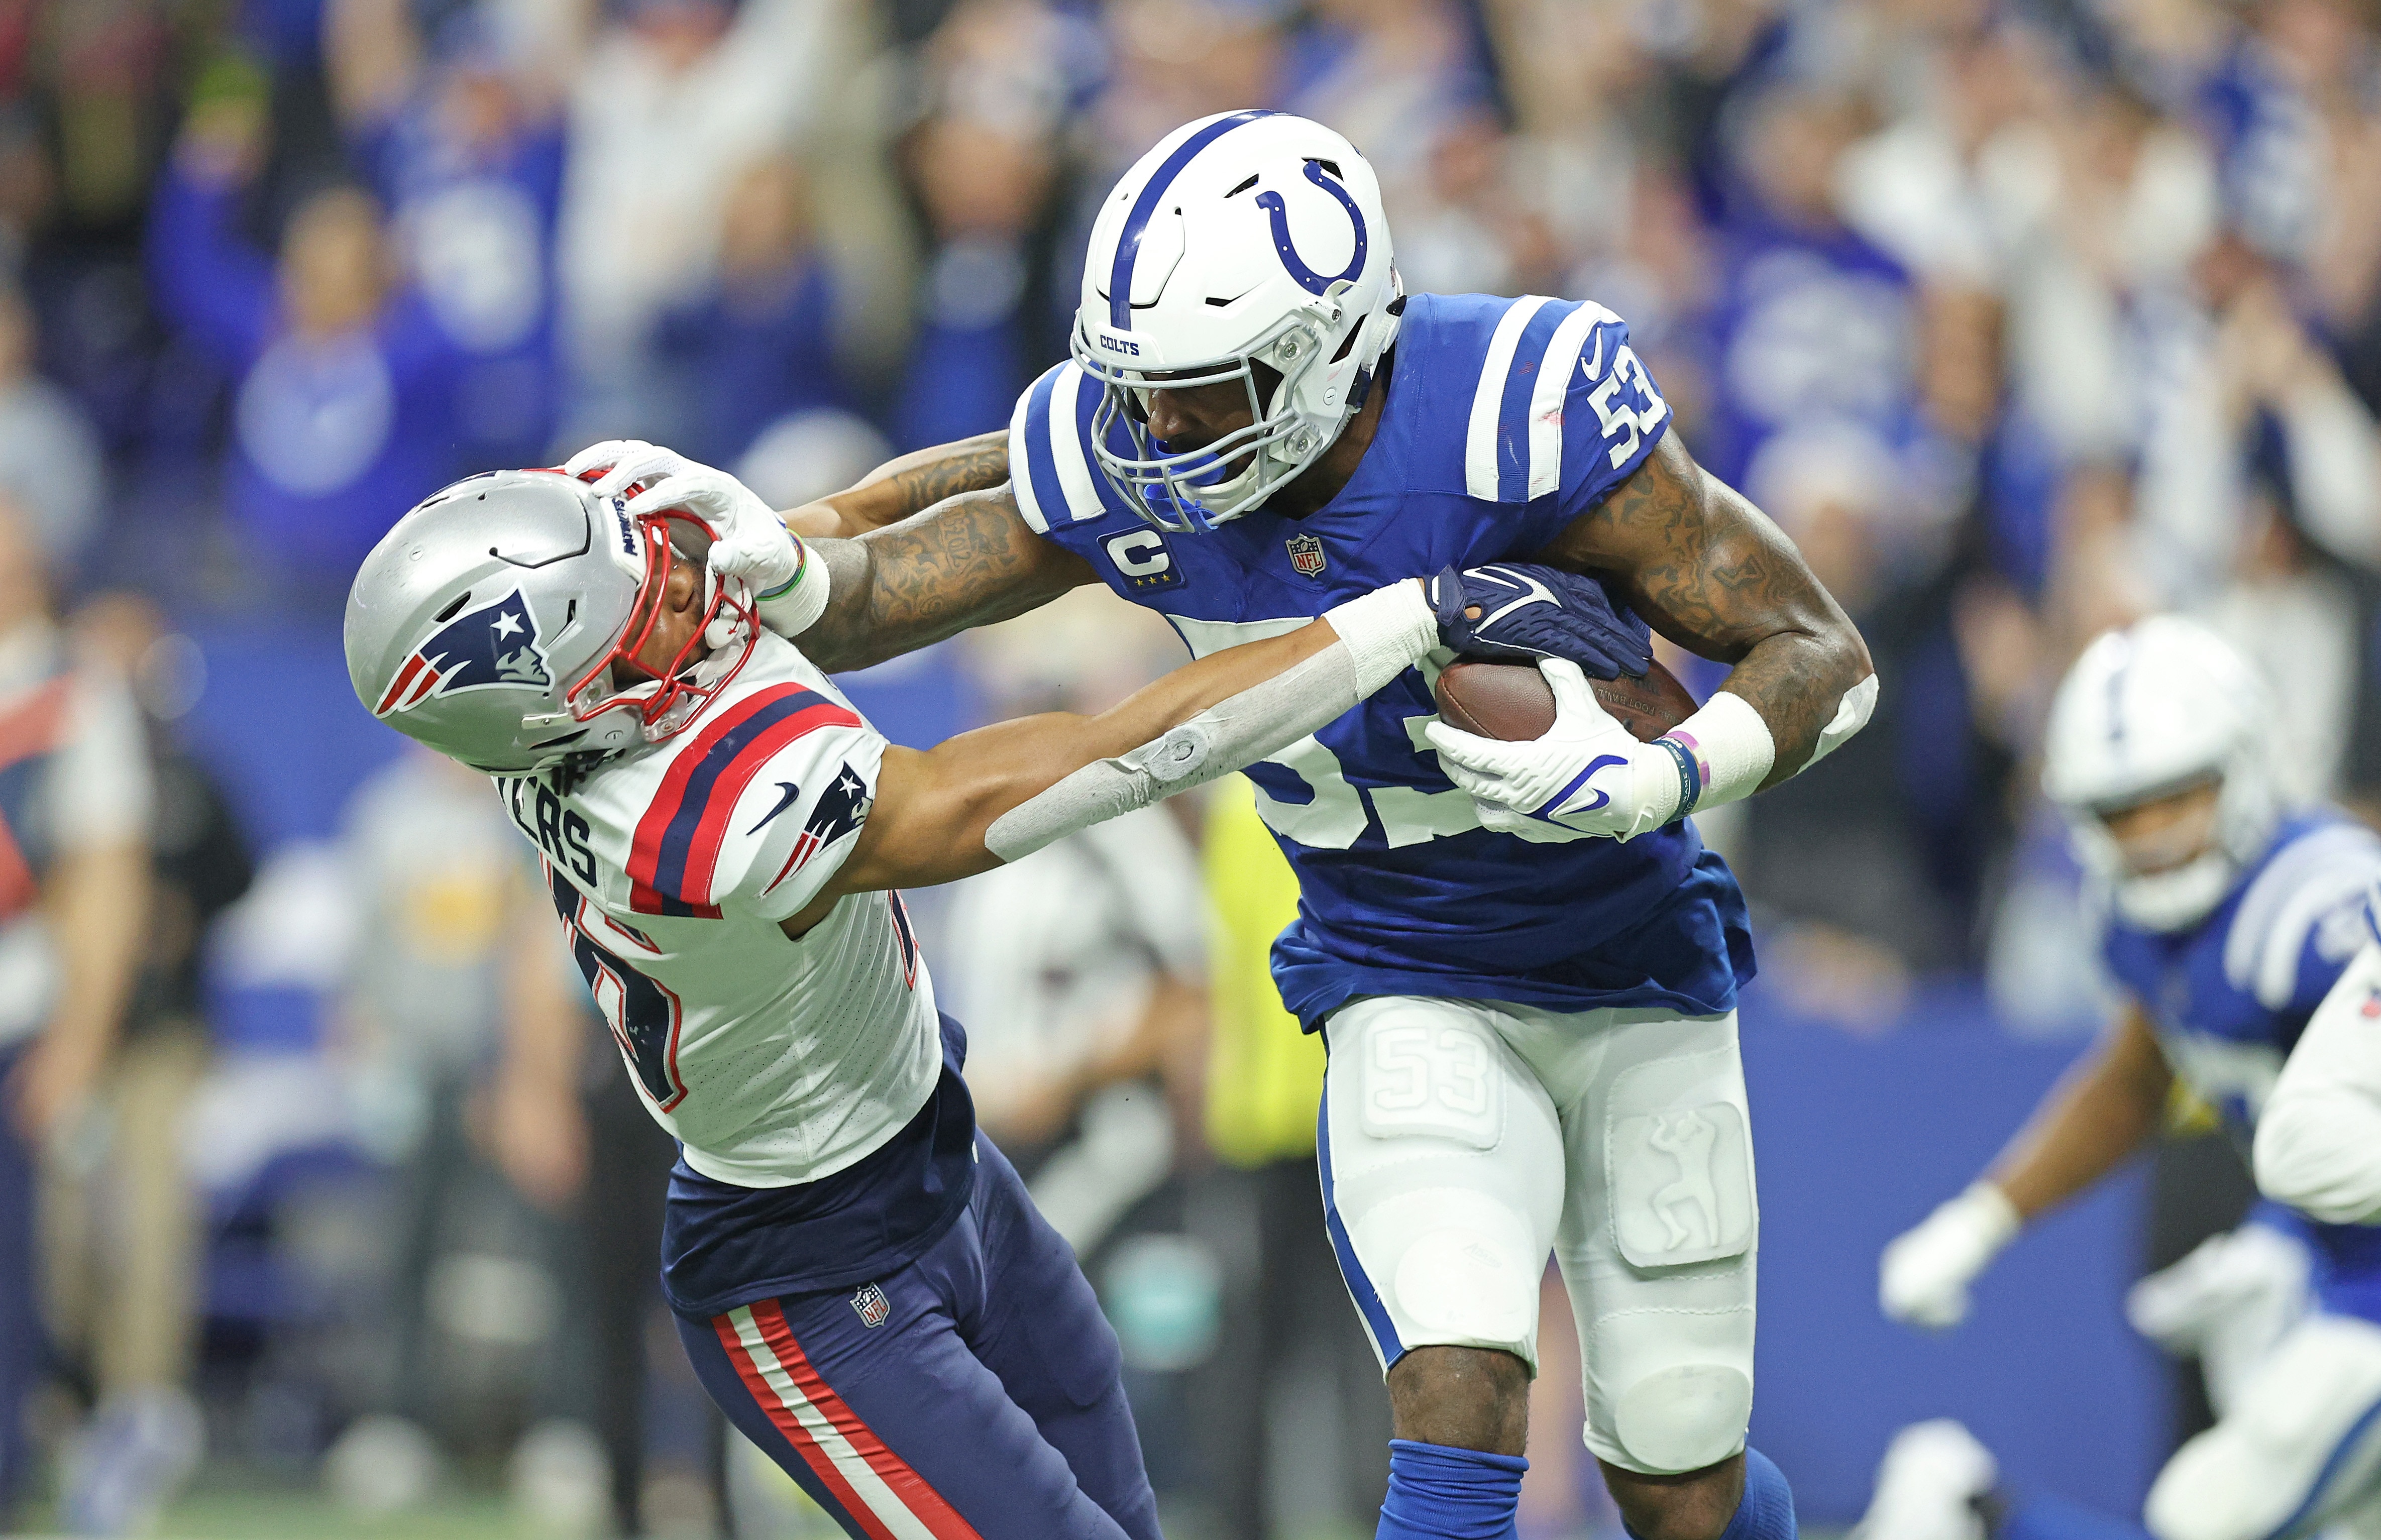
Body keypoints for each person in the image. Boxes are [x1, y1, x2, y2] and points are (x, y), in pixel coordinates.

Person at [651, 109, 1876, 1540]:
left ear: (1337, 347)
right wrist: (776, 565)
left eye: (1201, 393)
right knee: (1457, 1379)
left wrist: (1664, 777)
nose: (1159, 434)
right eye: (1139, 393)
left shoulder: (1511, 406)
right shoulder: (1137, 441)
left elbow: (1820, 656)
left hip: (1635, 962)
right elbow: (881, 589)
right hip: (1396, 966)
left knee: (1676, 1468)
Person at [343, 459, 1639, 1538]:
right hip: (806, 1270)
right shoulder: (693, 821)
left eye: (655, 561)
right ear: (569, 713)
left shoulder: (619, 587)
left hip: (941, 1157)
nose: (687, 586)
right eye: (650, 611)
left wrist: (1114, 446)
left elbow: (851, 528)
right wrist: (1397, 620)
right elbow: (1105, 758)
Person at [1866, 617, 2381, 1540]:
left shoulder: (2324, 907)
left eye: (2178, 797)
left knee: (2213, 1514)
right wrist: (1983, 1219)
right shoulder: (2135, 919)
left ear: (2248, 764)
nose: (2151, 837)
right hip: (2341, 1281)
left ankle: (1979, 1514)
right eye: (2122, 809)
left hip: (2360, 1298)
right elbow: (2144, 1071)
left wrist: (2286, 1237)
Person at [0, 498, 153, 1526]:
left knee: (20, 1281)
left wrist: (77, 1041)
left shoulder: (69, 694)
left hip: (15, 1019)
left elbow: (106, 879)